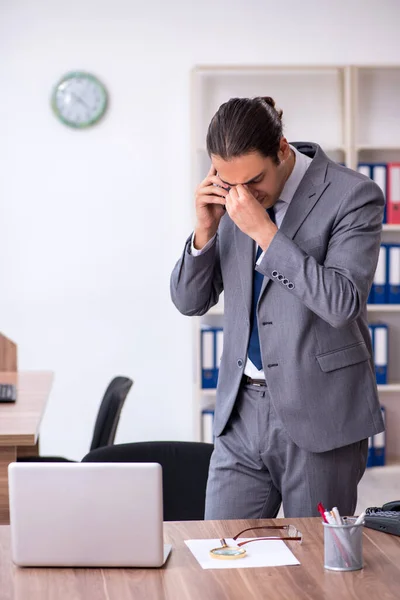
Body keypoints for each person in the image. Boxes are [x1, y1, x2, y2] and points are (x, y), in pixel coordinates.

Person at [170, 96, 385, 519]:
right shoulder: (229, 200)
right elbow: (189, 302)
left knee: (315, 571)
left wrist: (267, 234)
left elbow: (342, 303)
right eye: (229, 183)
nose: (242, 195)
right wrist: (204, 230)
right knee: (225, 558)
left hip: (321, 411)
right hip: (240, 413)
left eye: (253, 181)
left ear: (282, 149)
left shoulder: (354, 195)